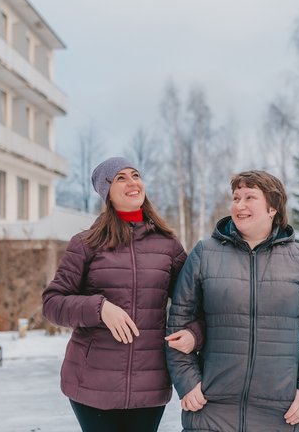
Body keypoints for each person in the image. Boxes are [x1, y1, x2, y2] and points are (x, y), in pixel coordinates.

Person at [166, 170, 299, 432]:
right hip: (211, 410)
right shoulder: (204, 254)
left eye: (249, 197)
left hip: (283, 414)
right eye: (236, 198)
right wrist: (188, 382)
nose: (239, 205)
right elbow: (178, 325)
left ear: (272, 208)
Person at [43, 157, 201, 432]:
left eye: (135, 175)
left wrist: (194, 334)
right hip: (91, 383)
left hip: (149, 383)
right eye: (121, 178)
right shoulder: (86, 243)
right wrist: (100, 309)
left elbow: (197, 304)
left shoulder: (168, 245)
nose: (132, 182)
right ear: (106, 191)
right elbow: (52, 303)